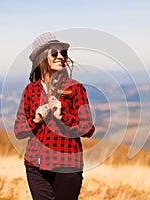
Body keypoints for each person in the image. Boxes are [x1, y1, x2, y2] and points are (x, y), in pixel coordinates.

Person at [14, 32, 95, 200]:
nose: (60, 57)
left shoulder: (75, 88)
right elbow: (19, 131)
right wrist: (36, 119)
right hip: (35, 166)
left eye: (63, 53)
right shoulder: (31, 90)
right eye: (54, 53)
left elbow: (88, 128)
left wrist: (62, 116)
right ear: (41, 59)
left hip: (67, 166)